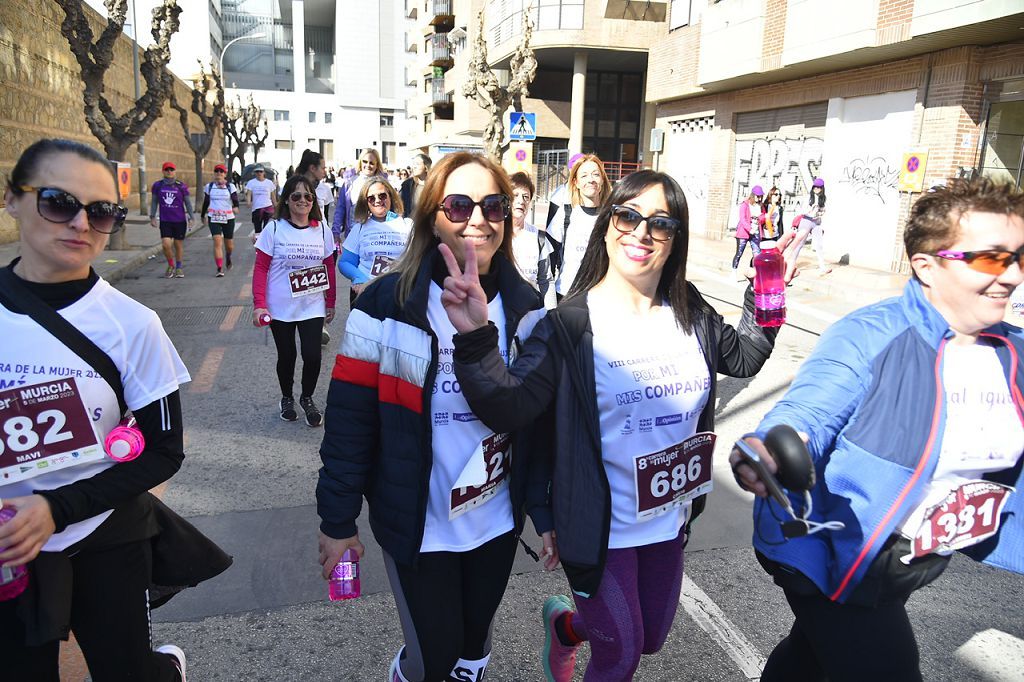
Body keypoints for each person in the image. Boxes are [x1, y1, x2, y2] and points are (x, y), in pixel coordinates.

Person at [439, 170, 798, 682]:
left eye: (661, 223)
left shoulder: (689, 309)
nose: (641, 232)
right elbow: (514, 410)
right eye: (628, 216)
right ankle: (586, 631)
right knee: (620, 656)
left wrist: (767, 300)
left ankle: (566, 627)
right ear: (608, 226)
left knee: (649, 638)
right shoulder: (568, 324)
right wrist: (476, 337)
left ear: (676, 239)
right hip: (598, 527)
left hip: (668, 518)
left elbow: (742, 358)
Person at [729, 177, 1024, 682]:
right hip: (828, 550)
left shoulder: (1014, 351)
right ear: (926, 265)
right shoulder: (874, 334)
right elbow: (810, 411)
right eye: (990, 258)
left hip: (910, 558)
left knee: (811, 658)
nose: (1011, 275)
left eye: (1018, 256)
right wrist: (766, 450)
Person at [317, 152, 547, 682]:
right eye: (459, 204)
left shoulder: (526, 307)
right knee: (435, 656)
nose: (479, 219)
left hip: (495, 519)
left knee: (473, 644)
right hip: (419, 522)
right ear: (430, 217)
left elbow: (535, 420)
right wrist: (337, 520)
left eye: (494, 205)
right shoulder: (384, 306)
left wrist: (547, 509)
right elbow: (350, 422)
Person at [0, 138, 194, 680]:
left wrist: (56, 508)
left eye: (102, 212)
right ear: (13, 200)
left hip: (104, 534)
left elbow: (162, 453)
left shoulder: (133, 325)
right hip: (7, 549)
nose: (80, 224)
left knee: (125, 669)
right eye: (59, 202)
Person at [252, 173, 337, 427]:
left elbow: (329, 265)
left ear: (314, 200)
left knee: (312, 356)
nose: (303, 200)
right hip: (280, 306)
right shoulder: (275, 228)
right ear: (287, 200)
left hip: (312, 305)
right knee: (287, 355)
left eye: (308, 196)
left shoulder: (322, 230)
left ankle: (307, 397)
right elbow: (261, 268)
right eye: (296, 196)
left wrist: (330, 301)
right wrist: (259, 304)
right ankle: (287, 397)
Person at [546, 154, 611, 300]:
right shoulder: (566, 214)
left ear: (602, 180)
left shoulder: (611, 217)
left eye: (596, 174)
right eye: (584, 176)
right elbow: (549, 260)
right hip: (566, 294)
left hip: (600, 297)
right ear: (576, 182)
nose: (591, 180)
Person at [338, 177, 411, 305]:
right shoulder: (360, 227)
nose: (377, 201)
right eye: (371, 198)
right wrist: (359, 278)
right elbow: (345, 262)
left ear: (391, 197)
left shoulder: (407, 225)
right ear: (366, 202)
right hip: (367, 292)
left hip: (398, 294)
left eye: (382, 196)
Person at [298, 150, 336, 346]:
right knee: (305, 282)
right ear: (312, 168)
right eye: (322, 167)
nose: (325, 171)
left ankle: (318, 324)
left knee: (321, 280)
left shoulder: (325, 188)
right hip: (299, 241)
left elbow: (325, 216)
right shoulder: (294, 185)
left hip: (321, 239)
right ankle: (304, 320)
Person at [508, 171, 556, 308]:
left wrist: (550, 314)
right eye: (515, 195)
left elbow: (545, 280)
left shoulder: (538, 237)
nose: (521, 201)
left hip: (530, 313)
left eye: (526, 197)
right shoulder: (495, 234)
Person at [149, 161, 194, 278]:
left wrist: (191, 217)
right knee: (166, 244)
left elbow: (188, 203)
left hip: (179, 220)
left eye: (171, 169)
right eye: (167, 169)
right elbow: (154, 202)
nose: (169, 172)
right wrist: (152, 216)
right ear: (163, 171)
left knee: (178, 245)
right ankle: (171, 265)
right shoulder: (158, 185)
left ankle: (179, 267)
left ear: (175, 171)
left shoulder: (181, 186)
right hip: (165, 220)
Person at [333, 149, 387, 243]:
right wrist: (335, 232)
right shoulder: (350, 182)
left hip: (375, 235)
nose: (368, 165)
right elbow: (340, 208)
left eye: (372, 163)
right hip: (352, 234)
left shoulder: (384, 184)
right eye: (365, 161)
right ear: (360, 162)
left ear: (377, 165)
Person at [200, 163, 239, 277]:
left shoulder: (230, 186)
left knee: (229, 245)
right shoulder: (210, 186)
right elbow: (206, 201)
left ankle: (228, 256)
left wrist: (236, 206)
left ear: (225, 174)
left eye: (221, 172)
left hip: (228, 217)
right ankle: (219, 268)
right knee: (217, 241)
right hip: (214, 217)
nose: (219, 174)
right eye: (216, 171)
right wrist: (203, 215)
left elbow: (235, 199)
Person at [791, 177, 830, 274]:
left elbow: (824, 212)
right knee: (799, 244)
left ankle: (822, 267)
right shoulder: (808, 197)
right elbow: (801, 211)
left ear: (822, 188)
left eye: (819, 187)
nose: (816, 189)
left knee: (819, 245)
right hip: (806, 220)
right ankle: (790, 265)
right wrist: (811, 208)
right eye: (815, 187)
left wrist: (820, 215)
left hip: (816, 222)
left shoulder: (823, 199)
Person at [731, 185, 764, 278]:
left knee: (757, 254)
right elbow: (743, 219)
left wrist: (759, 218)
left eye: (761, 196)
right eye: (758, 196)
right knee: (739, 253)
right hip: (744, 233)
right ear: (753, 195)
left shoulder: (760, 206)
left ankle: (757, 274)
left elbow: (763, 216)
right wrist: (750, 229)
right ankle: (733, 272)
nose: (759, 198)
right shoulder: (745, 204)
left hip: (756, 232)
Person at [245, 165, 278, 240]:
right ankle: (258, 247)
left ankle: (267, 244)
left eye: (260, 171)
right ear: (255, 173)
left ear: (264, 173)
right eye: (257, 172)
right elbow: (249, 193)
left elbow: (273, 195)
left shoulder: (269, 183)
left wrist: (275, 205)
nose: (259, 173)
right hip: (257, 208)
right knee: (258, 230)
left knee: (267, 228)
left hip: (268, 207)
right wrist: (248, 202)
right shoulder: (251, 182)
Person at [400, 153, 432, 219]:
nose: (414, 167)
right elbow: (399, 204)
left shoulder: (434, 185)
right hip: (410, 224)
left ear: (426, 167)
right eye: (413, 164)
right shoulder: (407, 185)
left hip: (428, 225)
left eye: (417, 164)